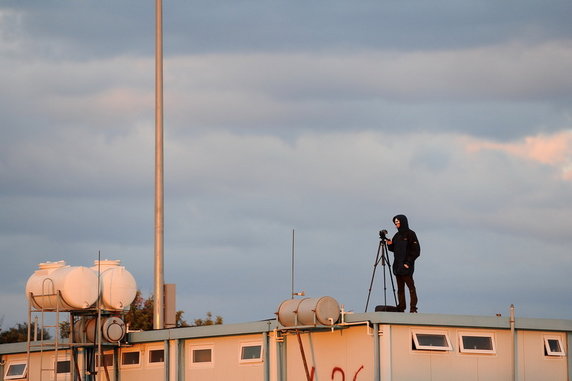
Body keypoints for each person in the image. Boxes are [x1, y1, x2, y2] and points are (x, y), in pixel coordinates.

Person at [386, 214, 420, 313]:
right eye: (395, 223)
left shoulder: (411, 234)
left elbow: (416, 251)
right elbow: (394, 249)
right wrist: (390, 245)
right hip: (397, 266)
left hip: (406, 266)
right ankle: (401, 307)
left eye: (397, 222)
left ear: (402, 222)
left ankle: (413, 308)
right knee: (400, 289)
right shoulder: (397, 236)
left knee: (411, 287)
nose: (396, 224)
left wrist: (408, 263)